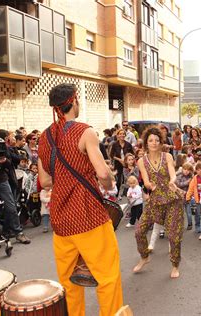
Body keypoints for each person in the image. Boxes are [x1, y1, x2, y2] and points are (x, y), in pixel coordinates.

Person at [37, 83, 122, 315]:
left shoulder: (44, 137)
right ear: (74, 101)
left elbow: (45, 181)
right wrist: (109, 185)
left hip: (61, 220)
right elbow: (103, 173)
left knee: (68, 282)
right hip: (88, 215)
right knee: (107, 277)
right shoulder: (85, 131)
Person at [133, 126, 185, 278]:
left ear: (161, 142)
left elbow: (173, 174)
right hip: (154, 201)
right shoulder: (141, 161)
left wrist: (172, 181)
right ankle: (144, 256)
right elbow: (146, 180)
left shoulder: (167, 156)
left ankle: (175, 265)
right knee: (139, 232)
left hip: (171, 200)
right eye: (150, 140)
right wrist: (149, 185)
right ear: (146, 143)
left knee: (174, 236)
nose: (154, 143)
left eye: (157, 140)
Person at [110, 128, 134, 194]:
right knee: (118, 180)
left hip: (127, 164)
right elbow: (111, 155)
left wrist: (128, 160)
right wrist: (120, 160)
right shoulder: (114, 144)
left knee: (128, 179)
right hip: (118, 164)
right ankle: (116, 194)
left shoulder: (128, 144)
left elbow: (132, 154)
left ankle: (128, 194)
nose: (122, 135)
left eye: (123, 134)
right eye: (120, 134)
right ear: (117, 135)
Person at [186, 161, 201, 233]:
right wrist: (188, 197)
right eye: (198, 170)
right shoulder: (195, 178)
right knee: (197, 214)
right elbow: (191, 188)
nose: (200, 171)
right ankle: (197, 226)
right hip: (198, 199)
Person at [176, 163, 193, 230]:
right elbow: (179, 184)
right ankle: (180, 224)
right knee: (180, 212)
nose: (186, 171)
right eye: (185, 169)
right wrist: (187, 182)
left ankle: (190, 223)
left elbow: (192, 187)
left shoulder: (191, 176)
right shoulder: (179, 176)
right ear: (182, 169)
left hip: (187, 197)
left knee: (188, 212)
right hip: (179, 196)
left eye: (188, 170)